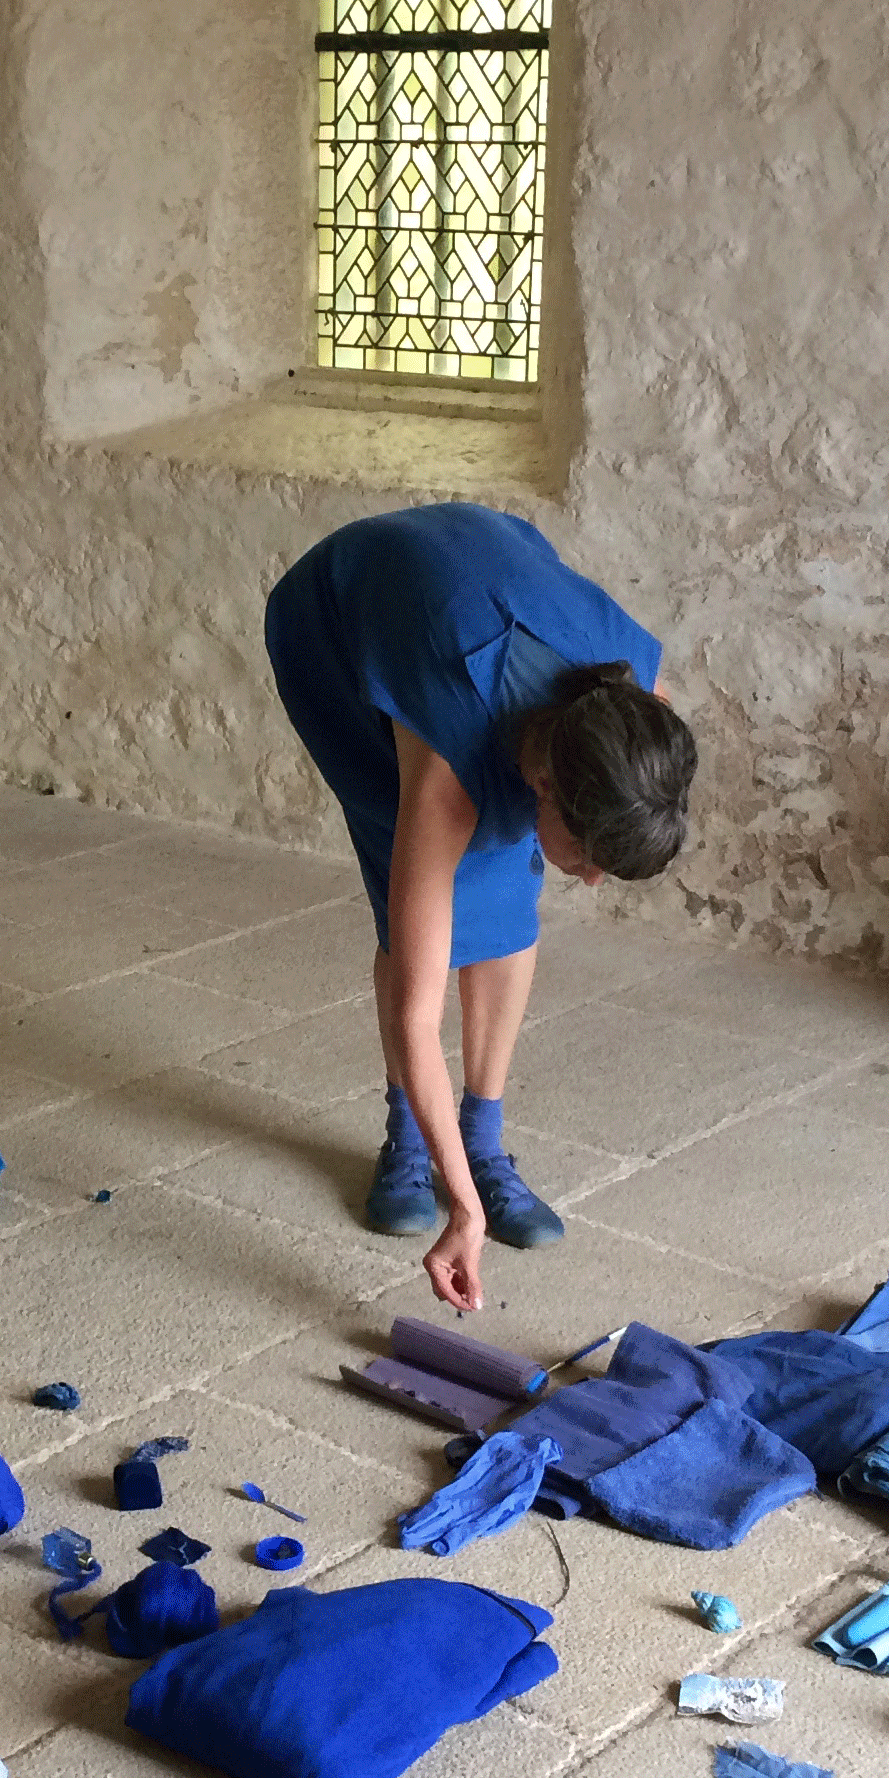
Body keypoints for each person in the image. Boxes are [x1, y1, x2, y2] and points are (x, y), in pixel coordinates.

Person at [264, 503, 697, 1310]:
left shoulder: (639, 703)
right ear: (548, 789)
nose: (594, 883)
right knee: (423, 910)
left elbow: (598, 795)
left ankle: (481, 1137)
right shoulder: (447, 768)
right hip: (347, 614)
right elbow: (416, 1016)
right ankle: (406, 1136)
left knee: (505, 890)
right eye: (594, 860)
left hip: (493, 567)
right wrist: (462, 1214)